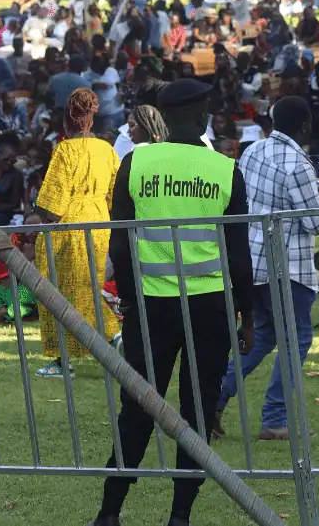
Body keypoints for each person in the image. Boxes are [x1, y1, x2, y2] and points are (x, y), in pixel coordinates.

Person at [91, 78, 255, 526]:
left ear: (161, 117)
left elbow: (120, 243)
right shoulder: (225, 169)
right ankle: (180, 515)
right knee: (197, 410)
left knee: (138, 407)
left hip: (150, 306)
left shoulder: (135, 163)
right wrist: (247, 314)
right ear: (204, 117)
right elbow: (238, 254)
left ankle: (110, 511)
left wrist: (127, 301)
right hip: (210, 307)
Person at [215, 96, 319, 440]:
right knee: (297, 340)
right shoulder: (298, 164)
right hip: (286, 268)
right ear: (305, 126)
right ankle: (275, 419)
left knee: (262, 336)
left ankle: (213, 400)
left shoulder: (252, 151)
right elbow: (316, 222)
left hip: (252, 264)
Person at [30, 87, 119, 377]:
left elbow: (53, 207)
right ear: (92, 118)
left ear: (67, 118)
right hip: (99, 225)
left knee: (56, 292)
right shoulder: (107, 149)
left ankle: (66, 358)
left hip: (68, 228)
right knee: (86, 289)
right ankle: (110, 340)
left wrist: (39, 215)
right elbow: (114, 195)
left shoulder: (65, 150)